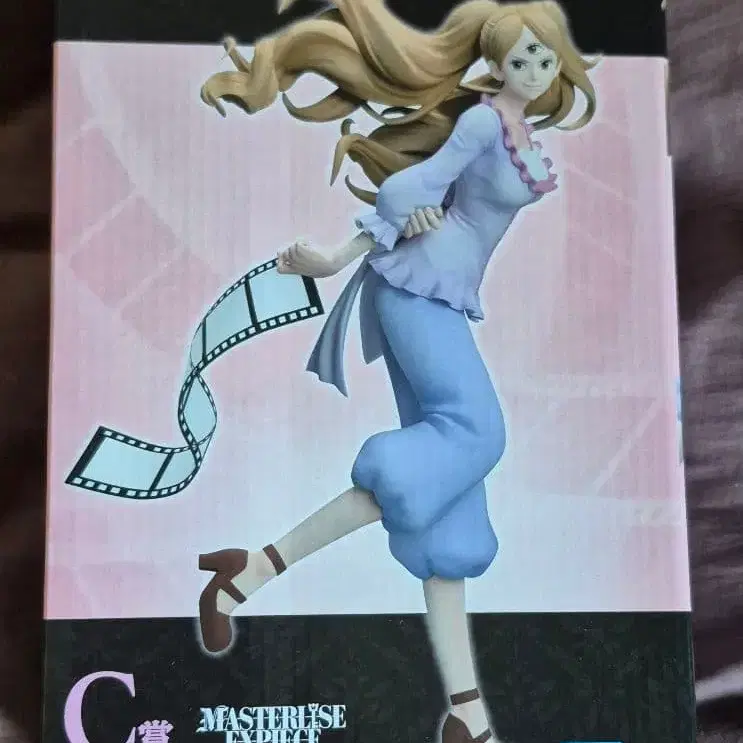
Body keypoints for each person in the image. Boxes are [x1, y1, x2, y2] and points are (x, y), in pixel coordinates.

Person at [197, 2, 596, 741]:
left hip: (440, 292)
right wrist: (337, 255)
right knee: (476, 433)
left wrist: (414, 218)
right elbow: (407, 189)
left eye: (545, 59)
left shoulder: (517, 130)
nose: (537, 72)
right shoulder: (481, 124)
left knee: (450, 516)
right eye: (522, 60)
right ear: (496, 66)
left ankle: (465, 711)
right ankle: (257, 567)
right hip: (418, 293)